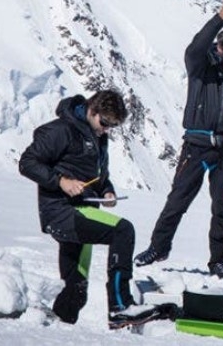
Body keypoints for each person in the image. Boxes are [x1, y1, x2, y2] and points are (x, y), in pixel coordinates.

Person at [134, 3, 223, 277]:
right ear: (220, 49)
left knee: (222, 208)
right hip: (196, 145)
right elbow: (194, 47)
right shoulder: (200, 66)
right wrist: (218, 19)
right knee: (178, 199)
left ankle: (218, 261)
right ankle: (158, 246)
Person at [19, 90, 147, 326]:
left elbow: (98, 177)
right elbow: (27, 162)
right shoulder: (61, 130)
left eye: (111, 126)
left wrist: (107, 191)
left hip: (84, 209)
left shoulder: (97, 136)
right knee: (123, 230)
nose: (105, 130)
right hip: (62, 211)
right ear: (92, 109)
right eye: (105, 123)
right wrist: (61, 182)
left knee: (76, 286)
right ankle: (120, 306)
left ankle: (58, 325)